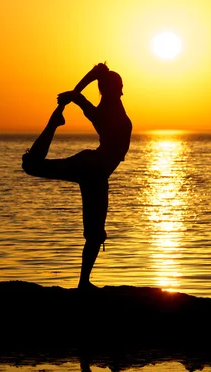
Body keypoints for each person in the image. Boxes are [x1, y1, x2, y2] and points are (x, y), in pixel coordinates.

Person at [21, 62, 132, 290]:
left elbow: (91, 82)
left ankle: (84, 283)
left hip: (97, 175)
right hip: (90, 167)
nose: (122, 91)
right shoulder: (105, 111)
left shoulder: (105, 108)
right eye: (119, 86)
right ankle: (53, 124)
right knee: (34, 167)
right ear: (110, 89)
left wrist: (80, 89)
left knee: (96, 233)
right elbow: (88, 96)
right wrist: (75, 95)